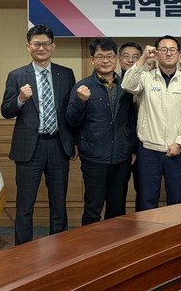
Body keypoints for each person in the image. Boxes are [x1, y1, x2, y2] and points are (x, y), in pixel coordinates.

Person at [1, 24, 76, 245]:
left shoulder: (66, 74)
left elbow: (71, 112)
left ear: (53, 46)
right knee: (25, 205)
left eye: (45, 44)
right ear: (28, 47)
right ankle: (22, 251)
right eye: (36, 44)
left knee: (58, 203)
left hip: (58, 145)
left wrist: (75, 142)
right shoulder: (17, 75)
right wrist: (20, 99)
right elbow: (6, 111)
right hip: (29, 148)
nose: (41, 48)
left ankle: (59, 248)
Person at [122, 35, 181, 209]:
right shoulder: (145, 78)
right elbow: (127, 85)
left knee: (177, 200)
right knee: (148, 200)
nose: (168, 53)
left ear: (179, 54)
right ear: (156, 54)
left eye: (172, 50)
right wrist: (143, 58)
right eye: (163, 50)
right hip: (149, 150)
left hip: (177, 150)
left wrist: (180, 143)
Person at [66, 38, 136, 225]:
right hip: (94, 157)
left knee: (117, 209)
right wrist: (80, 101)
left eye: (110, 56)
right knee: (93, 209)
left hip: (121, 157)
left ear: (116, 59)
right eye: (100, 56)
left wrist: (133, 148)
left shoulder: (126, 87)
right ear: (92, 60)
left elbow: (132, 121)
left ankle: (116, 243)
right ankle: (91, 244)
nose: (105, 60)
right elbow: (71, 121)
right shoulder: (83, 87)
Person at [118, 41, 143, 212]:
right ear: (119, 58)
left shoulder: (146, 81)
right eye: (126, 56)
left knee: (143, 189)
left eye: (135, 57)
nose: (130, 60)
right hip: (121, 146)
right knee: (118, 191)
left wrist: (135, 148)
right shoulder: (114, 82)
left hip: (143, 144)